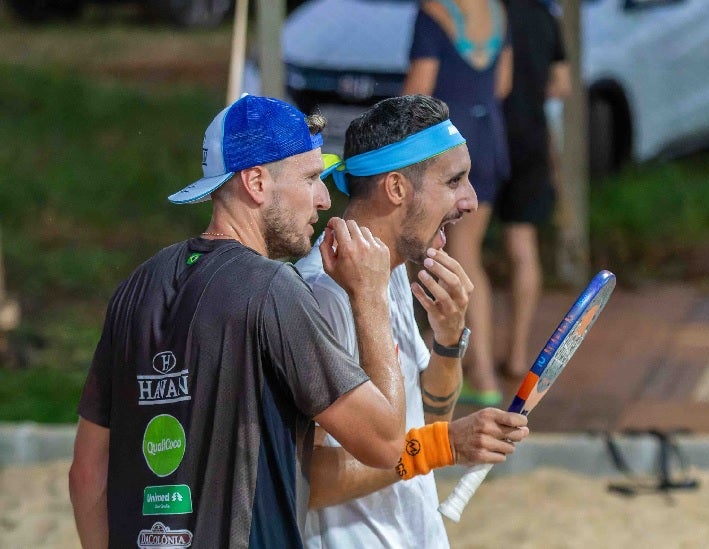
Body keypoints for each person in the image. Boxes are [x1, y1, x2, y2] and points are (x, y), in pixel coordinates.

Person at [68, 94, 407, 548]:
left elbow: (86, 473)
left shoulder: (135, 288)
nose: (325, 199)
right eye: (310, 178)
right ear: (257, 182)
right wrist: (371, 296)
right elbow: (385, 444)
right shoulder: (272, 290)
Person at [296, 94, 530, 547]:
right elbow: (307, 480)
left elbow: (427, 419)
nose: (471, 201)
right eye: (454, 181)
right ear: (397, 188)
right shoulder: (322, 296)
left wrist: (448, 340)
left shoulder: (393, 269)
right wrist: (445, 446)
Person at [403, 0, 513, 406]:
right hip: (488, 137)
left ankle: (478, 371)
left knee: (456, 257)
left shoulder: (434, 13)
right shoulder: (497, 11)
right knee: (469, 254)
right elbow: (502, 84)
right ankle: (473, 368)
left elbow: (418, 91)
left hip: (447, 146)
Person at [496, 0, 571, 379]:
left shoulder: (486, 12)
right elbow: (562, 84)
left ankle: (464, 354)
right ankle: (517, 352)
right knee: (523, 246)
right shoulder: (545, 14)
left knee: (460, 246)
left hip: (487, 135)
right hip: (532, 137)